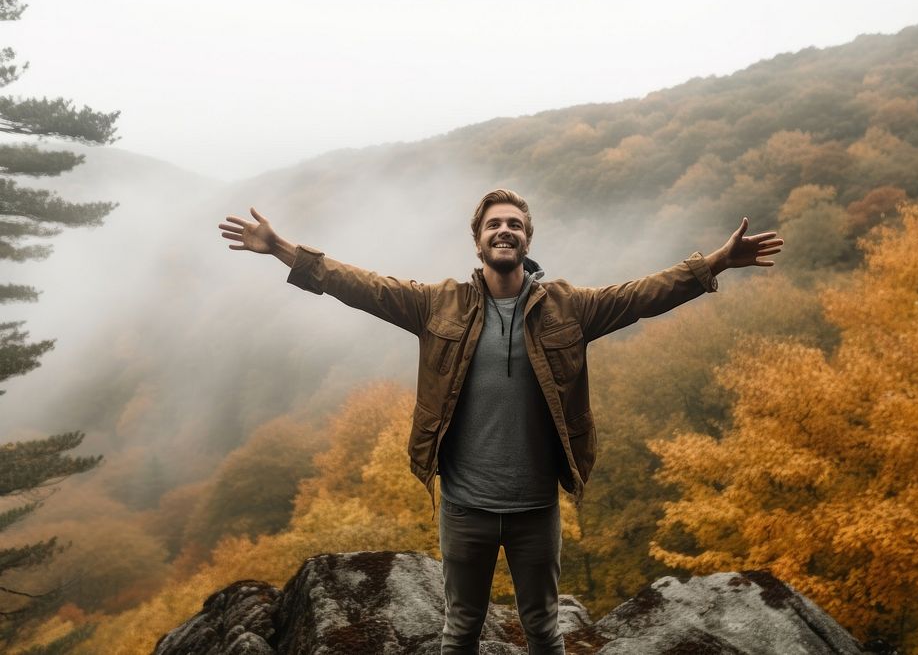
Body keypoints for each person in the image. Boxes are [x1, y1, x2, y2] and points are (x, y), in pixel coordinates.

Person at [218, 189, 783, 654]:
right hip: (466, 506)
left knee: (543, 629)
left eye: (514, 224)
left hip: (537, 506)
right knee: (459, 630)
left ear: (527, 240)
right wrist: (282, 249)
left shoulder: (569, 307)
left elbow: (643, 296)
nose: (504, 231)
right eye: (494, 224)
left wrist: (714, 263)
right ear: (479, 239)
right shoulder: (437, 305)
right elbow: (359, 285)